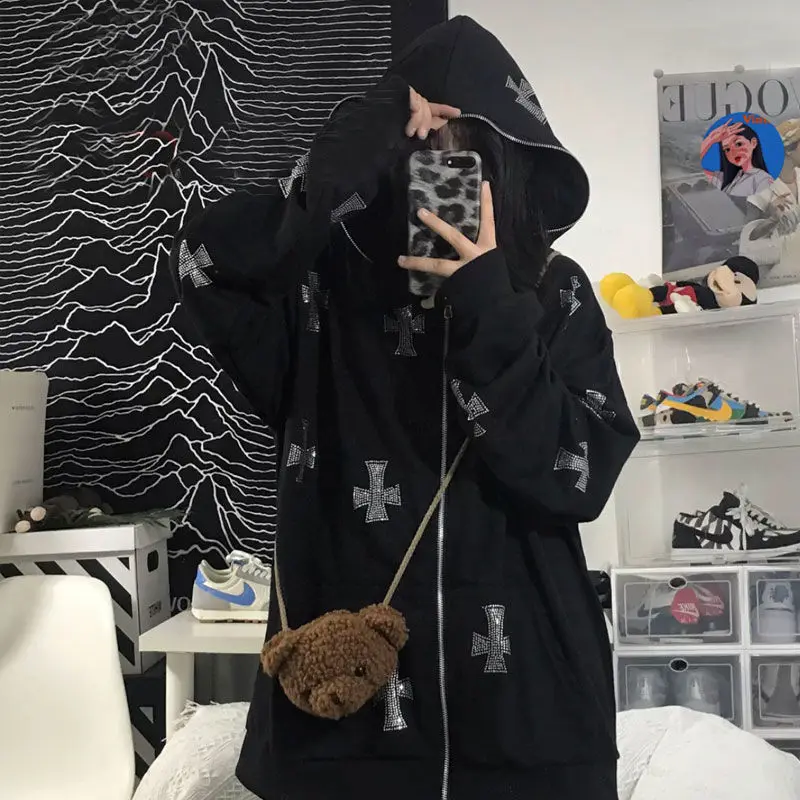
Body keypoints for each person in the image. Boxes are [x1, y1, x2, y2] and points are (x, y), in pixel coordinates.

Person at [169, 16, 639, 800]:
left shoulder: (553, 292)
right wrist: (335, 162)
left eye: (467, 160)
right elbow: (201, 263)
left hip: (527, 724)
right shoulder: (318, 292)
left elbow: (577, 477)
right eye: (420, 157)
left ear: (508, 167)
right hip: (343, 720)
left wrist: (490, 306)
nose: (441, 183)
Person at [701, 119, 773, 198]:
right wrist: (710, 139)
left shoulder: (762, 179)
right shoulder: (724, 178)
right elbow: (695, 171)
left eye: (738, 144)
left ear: (753, 143)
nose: (733, 153)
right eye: (727, 149)